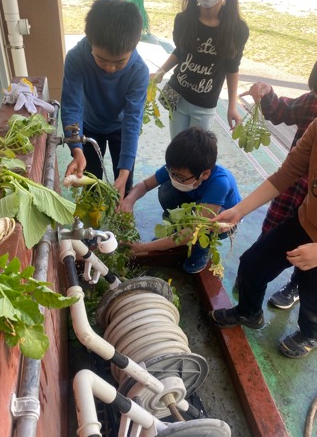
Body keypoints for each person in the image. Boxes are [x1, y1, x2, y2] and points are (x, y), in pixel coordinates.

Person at [209, 117, 317, 358]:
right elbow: (286, 174)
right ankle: (249, 312)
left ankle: (309, 334)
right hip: (304, 221)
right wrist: (239, 210)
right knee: (252, 263)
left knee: (313, 297)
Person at [235, 61, 317, 310]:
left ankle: (306, 323)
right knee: (259, 254)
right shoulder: (314, 116)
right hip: (301, 205)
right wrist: (239, 210)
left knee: (312, 287)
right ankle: (250, 302)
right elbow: (288, 172)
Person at [61, 0, 149, 203]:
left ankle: (123, 217)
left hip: (121, 129)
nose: (109, 68)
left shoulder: (138, 71)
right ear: (90, 41)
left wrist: (125, 170)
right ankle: (92, 222)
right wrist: (76, 149)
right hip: (89, 126)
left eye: (119, 62)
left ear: (134, 46)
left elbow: (132, 120)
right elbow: (72, 106)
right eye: (101, 59)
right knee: (90, 180)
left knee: (123, 182)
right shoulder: (76, 58)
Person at [151, 0, 249, 139]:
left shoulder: (237, 30)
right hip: (177, 96)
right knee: (177, 147)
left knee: (195, 155)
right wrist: (161, 71)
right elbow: (181, 51)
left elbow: (232, 67)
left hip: (204, 106)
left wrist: (232, 106)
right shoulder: (183, 20)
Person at [121, 127, 241, 273]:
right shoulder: (178, 168)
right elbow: (145, 185)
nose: (174, 177)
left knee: (208, 227)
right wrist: (128, 201)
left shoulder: (220, 183)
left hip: (220, 221)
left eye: (180, 177)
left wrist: (143, 247)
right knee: (166, 190)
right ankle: (175, 232)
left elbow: (193, 230)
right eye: (172, 173)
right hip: (194, 206)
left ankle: (201, 249)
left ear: (205, 174)